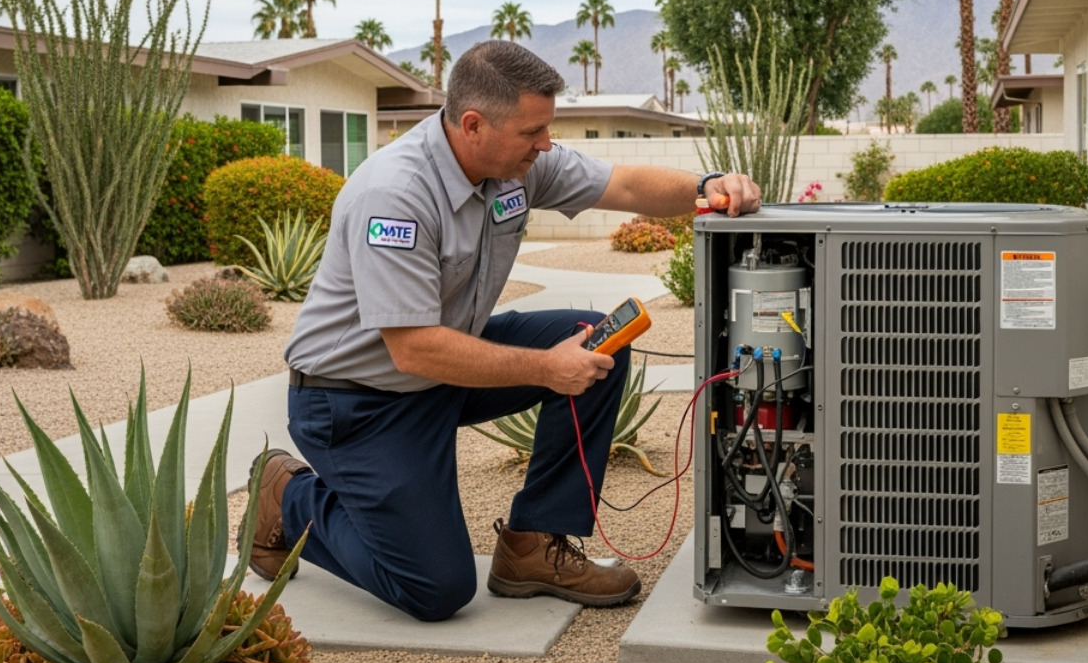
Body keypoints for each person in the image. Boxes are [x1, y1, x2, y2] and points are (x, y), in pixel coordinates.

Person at [252, 39, 761, 621]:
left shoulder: (517, 165)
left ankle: (533, 544)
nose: (545, 144)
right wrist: (547, 369)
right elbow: (413, 348)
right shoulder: (395, 195)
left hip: (438, 374)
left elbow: (623, 185)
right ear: (473, 125)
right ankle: (288, 497)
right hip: (356, 401)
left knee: (597, 341)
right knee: (434, 590)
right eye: (532, 132)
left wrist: (707, 187)